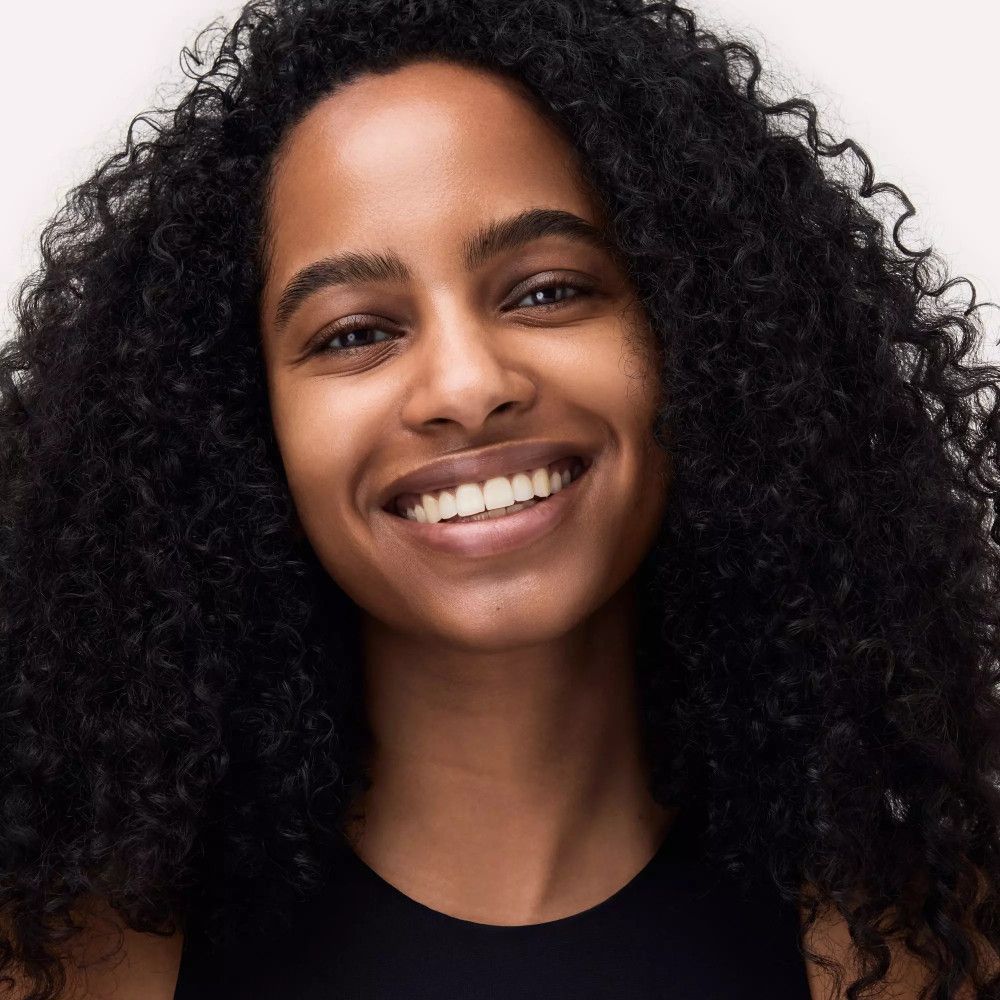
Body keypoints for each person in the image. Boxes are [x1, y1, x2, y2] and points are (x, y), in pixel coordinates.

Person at [2, 0, 999, 997]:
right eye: (353, 333)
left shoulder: (907, 948)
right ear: (234, 417)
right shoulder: (76, 956)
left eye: (548, 290)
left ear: (708, 339)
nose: (467, 387)